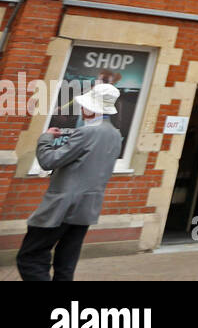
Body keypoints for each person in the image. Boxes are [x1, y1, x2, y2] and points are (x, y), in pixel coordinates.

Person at [16, 83, 123, 281]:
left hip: (62, 207)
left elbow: (49, 161)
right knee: (66, 263)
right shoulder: (115, 135)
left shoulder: (87, 132)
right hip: (86, 209)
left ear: (91, 109)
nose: (82, 110)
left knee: (29, 257)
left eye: (84, 106)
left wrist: (46, 139)